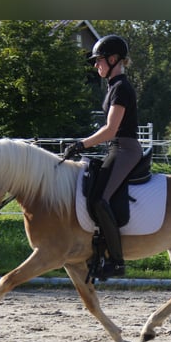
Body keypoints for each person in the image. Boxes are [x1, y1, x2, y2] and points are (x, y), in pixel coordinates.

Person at [62, 34, 142, 278]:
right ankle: (98, 251)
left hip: (126, 149)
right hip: (117, 148)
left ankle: (116, 261)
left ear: (114, 59)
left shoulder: (121, 88)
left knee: (100, 200)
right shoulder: (112, 87)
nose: (96, 65)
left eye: (99, 60)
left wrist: (81, 144)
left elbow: (110, 130)